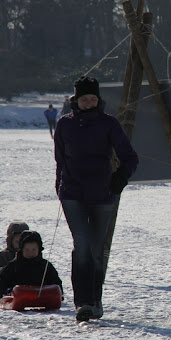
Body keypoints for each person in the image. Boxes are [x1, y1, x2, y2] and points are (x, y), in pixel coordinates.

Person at [54, 76, 139, 321]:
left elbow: (130, 158)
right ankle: (83, 303)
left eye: (93, 99)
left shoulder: (109, 124)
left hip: (103, 193)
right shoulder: (64, 125)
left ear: (98, 100)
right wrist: (59, 185)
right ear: (76, 100)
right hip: (72, 194)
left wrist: (120, 178)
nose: (89, 103)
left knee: (95, 249)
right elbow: (60, 159)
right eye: (84, 99)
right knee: (81, 245)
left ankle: (95, 298)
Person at [0, 230, 63, 299]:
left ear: (39, 250)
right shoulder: (14, 265)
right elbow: (4, 281)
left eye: (34, 250)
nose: (30, 253)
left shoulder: (45, 266)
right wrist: (2, 294)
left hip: (41, 295)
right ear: (22, 250)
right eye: (27, 250)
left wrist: (59, 293)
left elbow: (56, 281)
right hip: (18, 295)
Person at [0, 222, 30, 296]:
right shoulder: (4, 254)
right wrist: (6, 270)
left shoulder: (30, 254)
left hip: (27, 283)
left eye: (22, 242)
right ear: (11, 240)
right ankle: (2, 290)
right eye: (17, 242)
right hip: (10, 283)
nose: (19, 245)